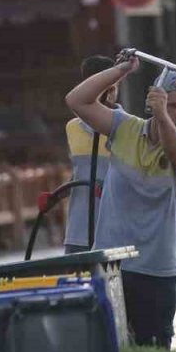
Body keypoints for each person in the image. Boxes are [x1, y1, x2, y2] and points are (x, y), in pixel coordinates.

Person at [65, 55, 176, 348]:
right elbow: (77, 100)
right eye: (173, 105)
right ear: (154, 102)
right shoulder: (124, 128)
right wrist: (120, 71)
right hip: (112, 267)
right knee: (107, 351)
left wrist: (162, 115)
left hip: (158, 269)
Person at [64, 56, 123, 254]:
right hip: (78, 231)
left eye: (113, 86)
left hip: (115, 232)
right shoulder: (72, 128)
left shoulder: (129, 128)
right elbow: (81, 171)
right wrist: (62, 190)